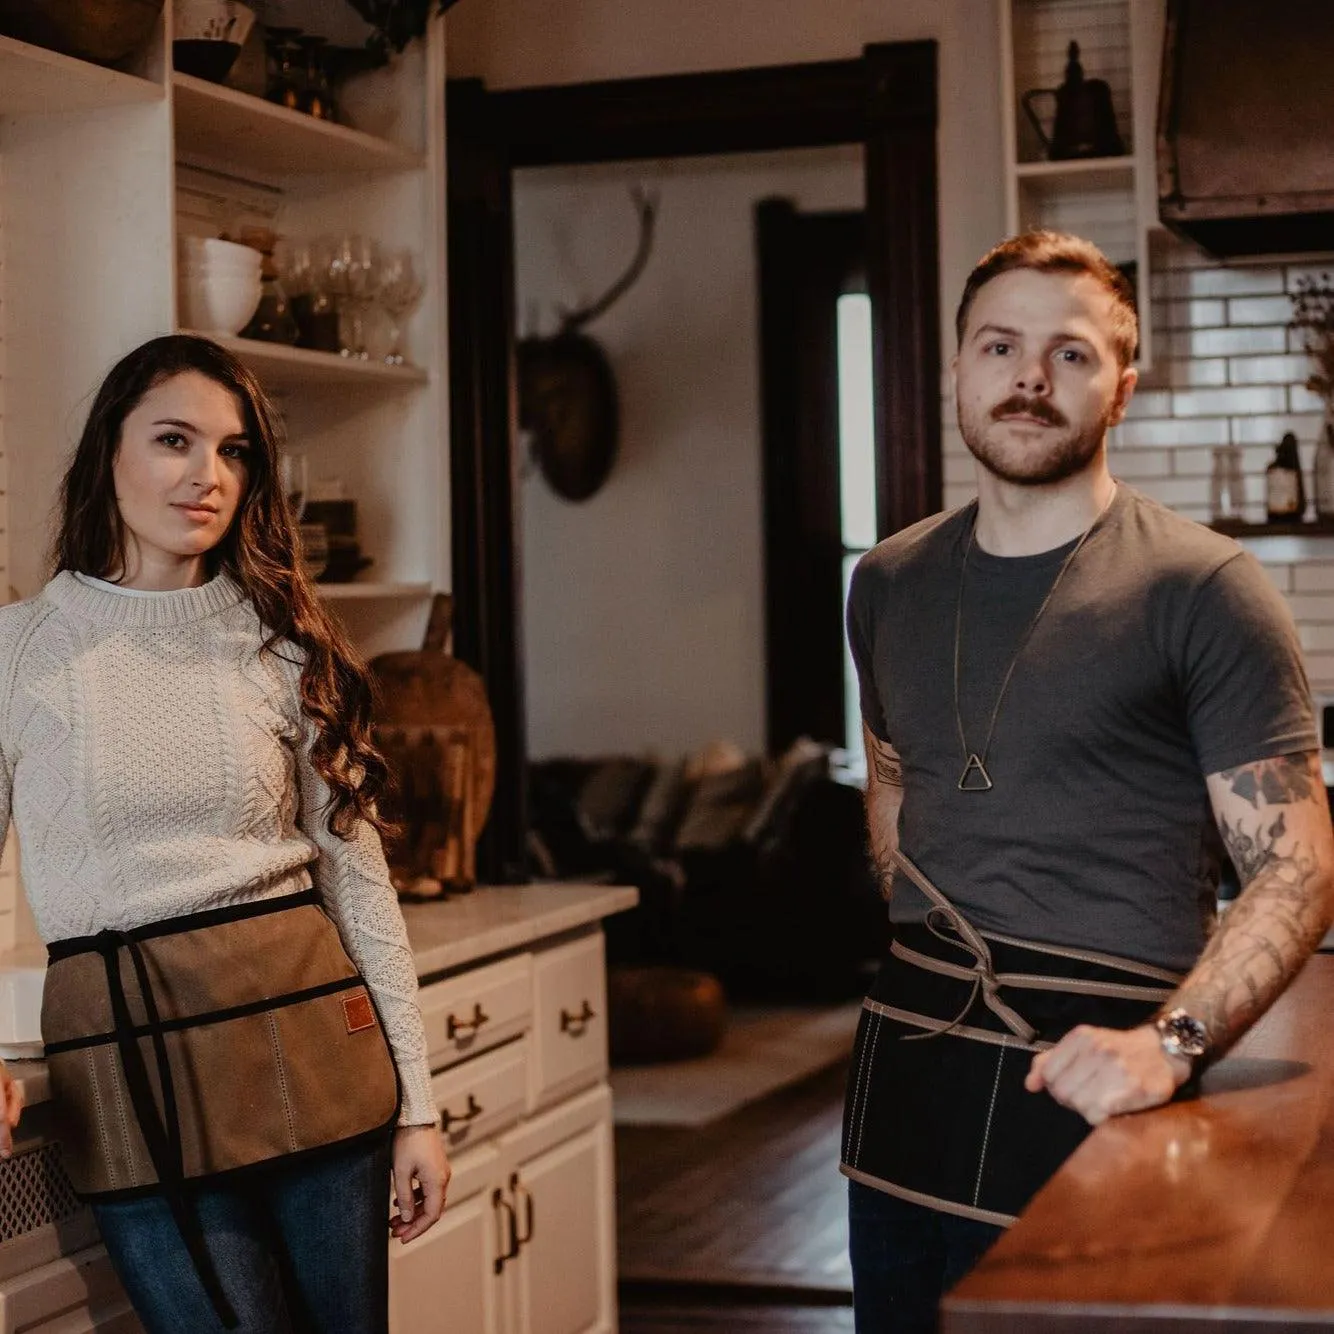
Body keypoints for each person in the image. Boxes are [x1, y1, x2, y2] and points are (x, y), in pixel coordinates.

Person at [840, 230, 1334, 1333]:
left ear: (1122, 383)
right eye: (997, 345)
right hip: (907, 1084)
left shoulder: (1203, 587)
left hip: (1104, 1077)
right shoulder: (884, 582)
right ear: (956, 369)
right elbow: (888, 769)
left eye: (1067, 353)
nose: (1026, 376)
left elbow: (1296, 869)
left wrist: (1165, 1046)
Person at [0, 335, 450, 1333]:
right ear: (106, 452)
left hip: (313, 1038)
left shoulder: (281, 642)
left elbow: (357, 882)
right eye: (173, 440)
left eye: (235, 450)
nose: (207, 476)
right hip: (130, 1057)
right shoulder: (20, 649)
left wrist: (417, 1103)